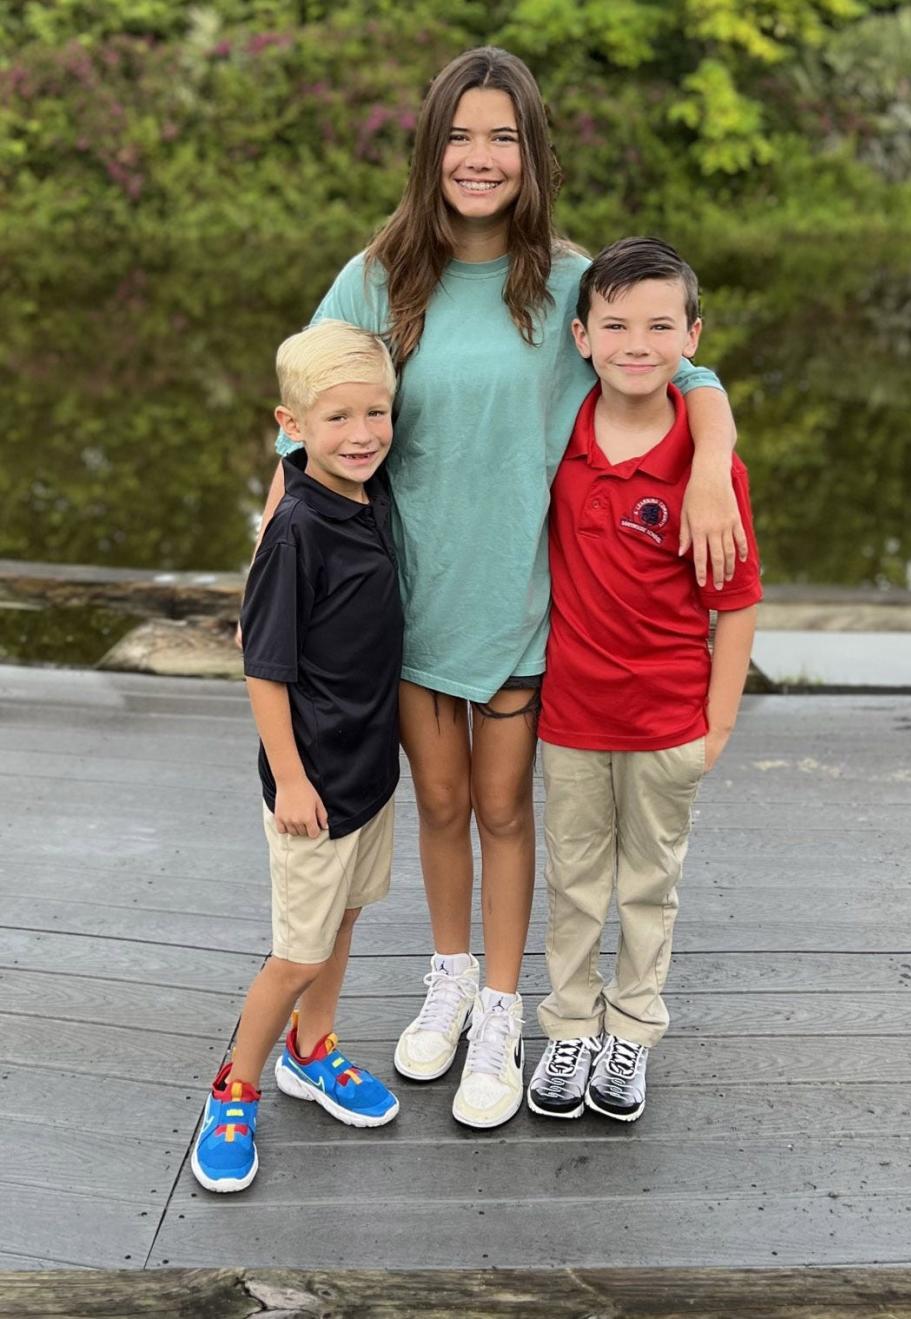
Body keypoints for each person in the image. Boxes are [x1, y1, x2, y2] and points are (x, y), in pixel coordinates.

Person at [247, 47, 747, 1130]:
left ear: (532, 154)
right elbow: (310, 395)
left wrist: (709, 465)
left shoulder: (570, 281)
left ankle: (506, 1011)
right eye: (461, 136)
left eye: (503, 138)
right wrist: (280, 536)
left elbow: (685, 371)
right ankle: (451, 976)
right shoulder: (377, 276)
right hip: (410, 604)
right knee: (435, 802)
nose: (480, 158)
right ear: (432, 149)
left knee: (506, 806)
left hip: (524, 601)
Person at [526, 237, 762, 1123]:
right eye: (615, 323)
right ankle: (571, 1027)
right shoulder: (560, 443)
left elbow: (735, 602)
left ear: (691, 335)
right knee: (575, 879)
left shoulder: (711, 470)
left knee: (648, 884)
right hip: (573, 717)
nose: (636, 342)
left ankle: (631, 1029)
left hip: (669, 722)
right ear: (580, 335)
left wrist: (720, 724)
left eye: (660, 325)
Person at [192, 320, 402, 1193]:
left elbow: (339, 447)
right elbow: (263, 665)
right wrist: (291, 777)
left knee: (342, 924)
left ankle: (311, 1050)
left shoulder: (367, 488)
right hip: (309, 783)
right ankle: (234, 1085)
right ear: (292, 424)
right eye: (338, 417)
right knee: (297, 951)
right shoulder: (296, 533)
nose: (362, 434)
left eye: (377, 412)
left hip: (369, 772)